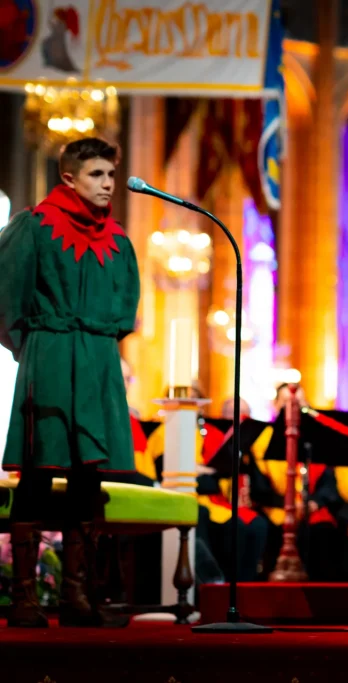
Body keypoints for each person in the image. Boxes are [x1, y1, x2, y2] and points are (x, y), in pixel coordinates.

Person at [0, 137, 139, 628]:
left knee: (88, 480)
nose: (108, 184)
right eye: (97, 175)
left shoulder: (118, 240)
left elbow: (125, 311)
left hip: (98, 362)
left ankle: (76, 598)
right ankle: (23, 598)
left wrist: (94, 346)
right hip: (53, 354)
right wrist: (36, 350)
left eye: (111, 175)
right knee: (38, 475)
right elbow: (7, 298)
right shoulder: (34, 228)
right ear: (68, 178)